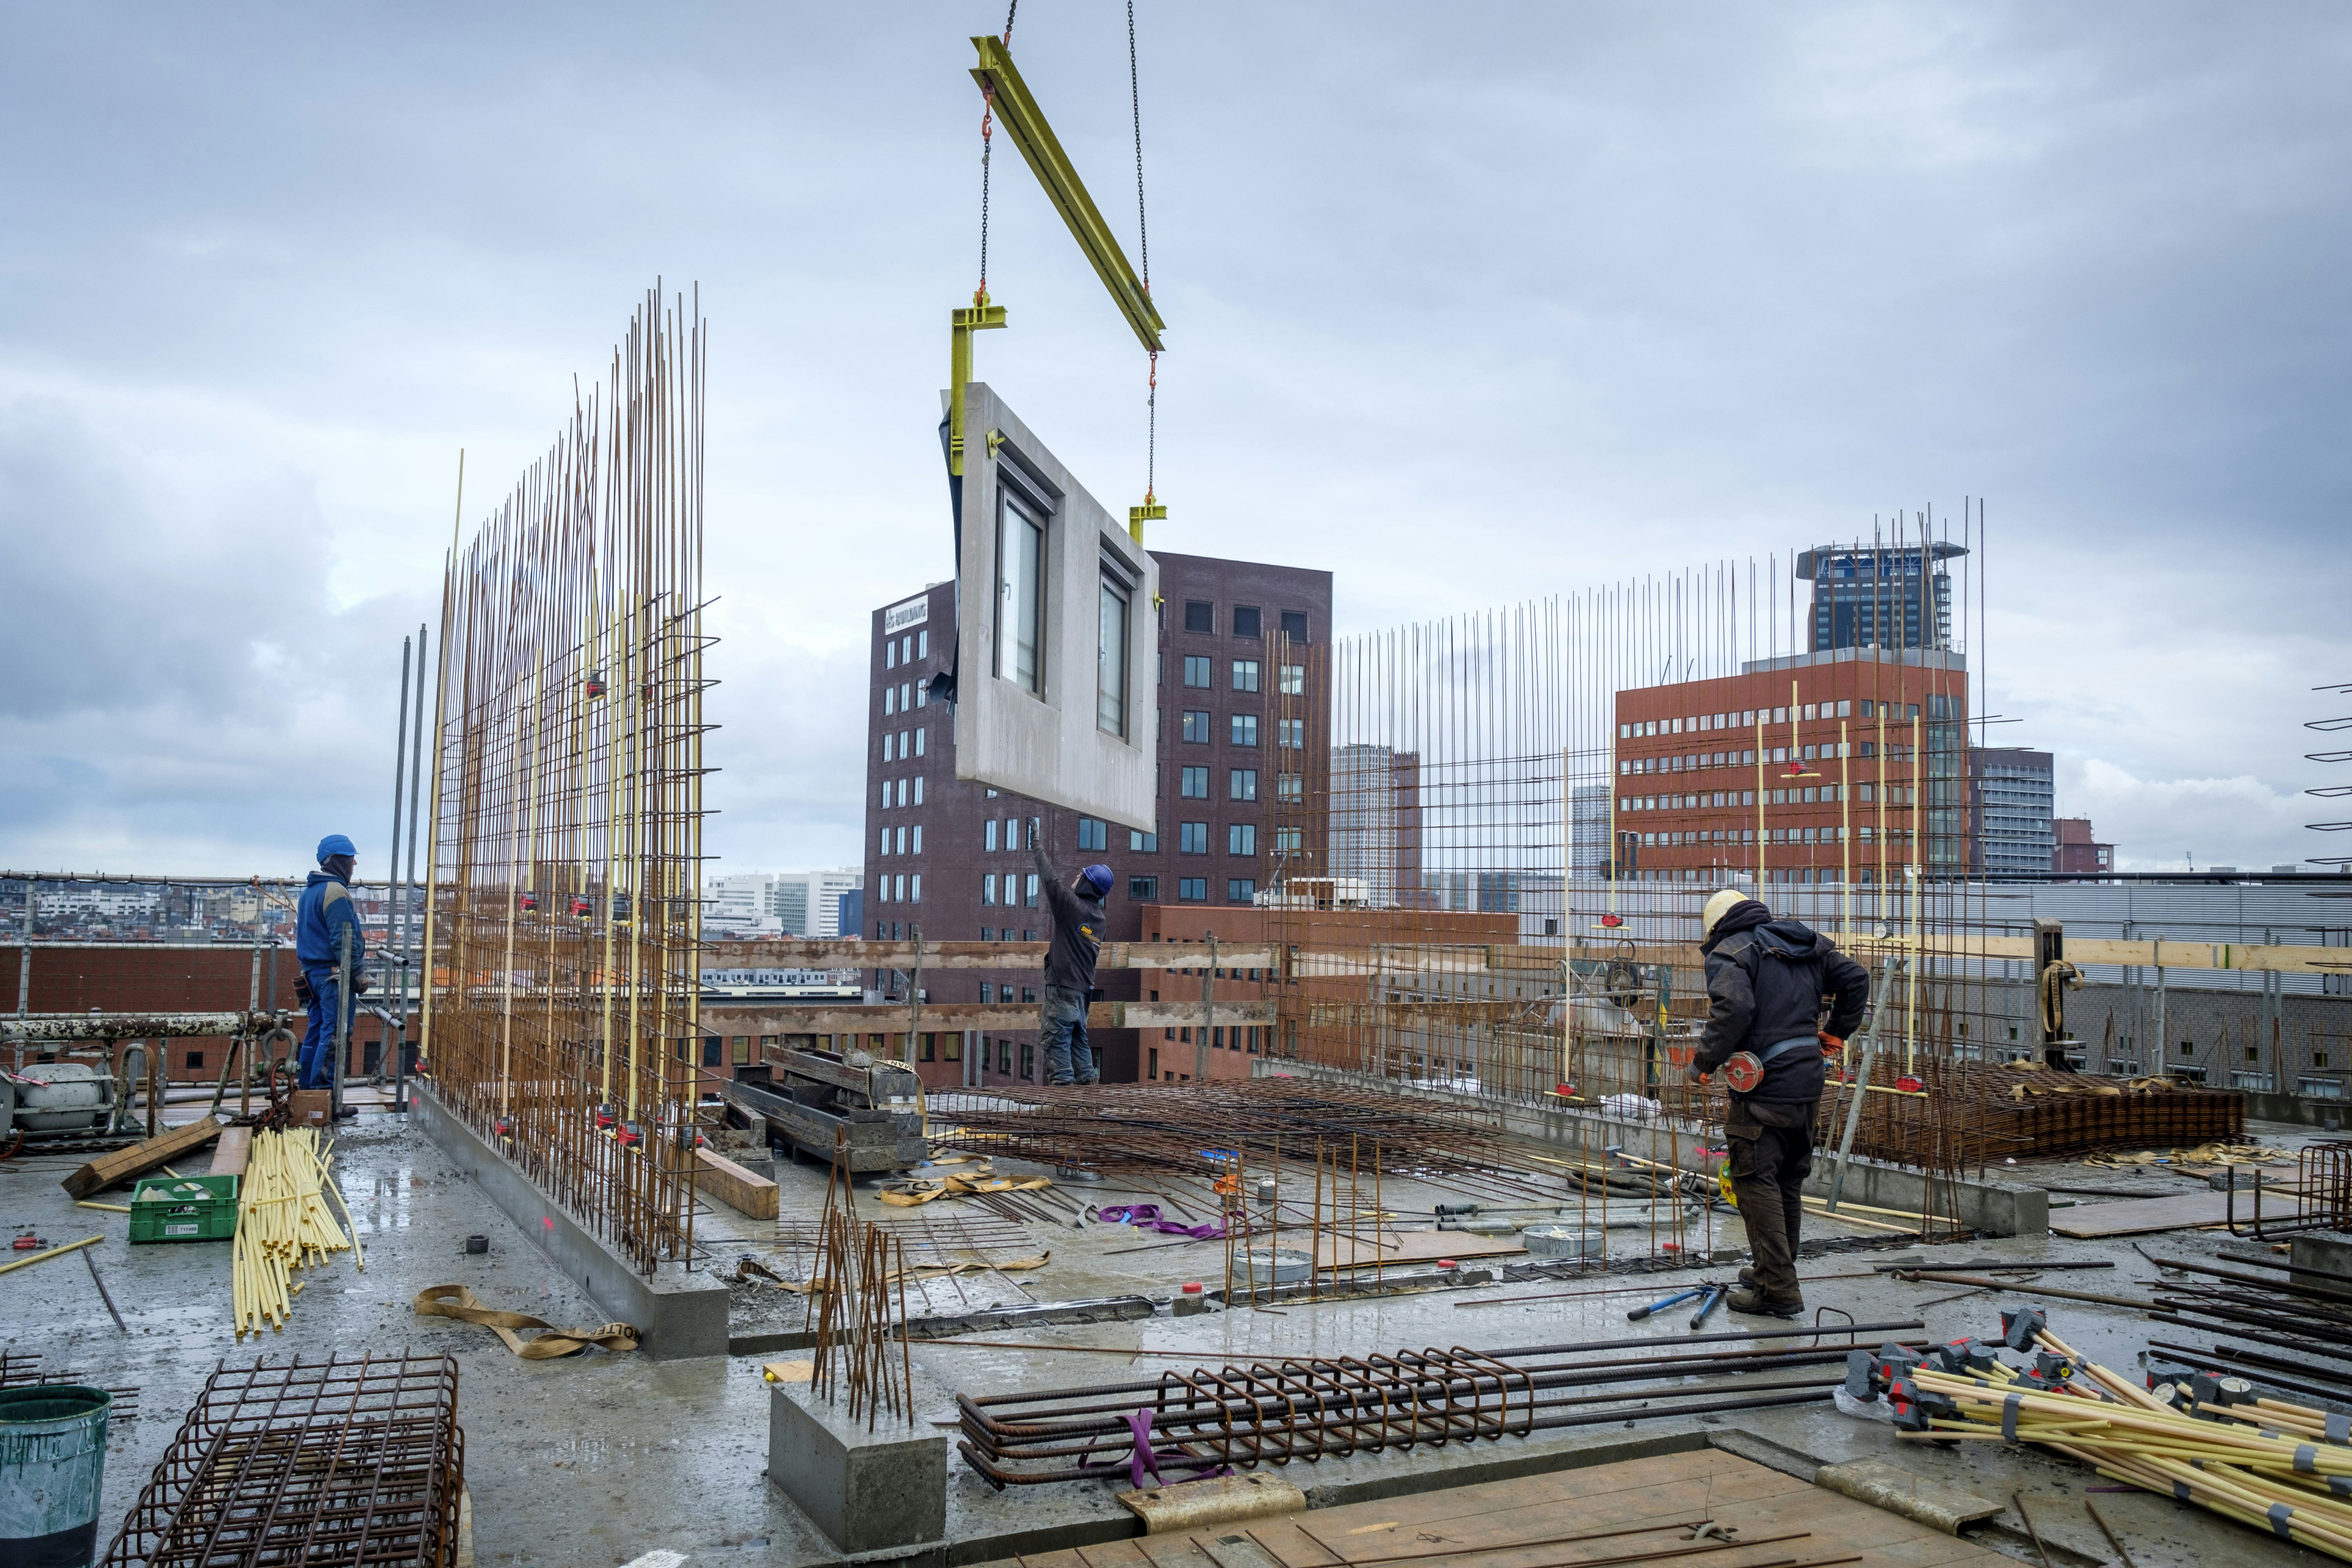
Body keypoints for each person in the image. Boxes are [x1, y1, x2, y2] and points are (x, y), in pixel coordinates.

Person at [1687, 886, 1869, 1318]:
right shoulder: (1802, 943)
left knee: (1755, 1180)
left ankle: (1778, 1288)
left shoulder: (1731, 952)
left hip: (1764, 1089)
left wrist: (1703, 1062)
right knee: (1787, 1178)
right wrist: (1837, 1031)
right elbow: (1857, 979)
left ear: (1716, 926)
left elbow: (1734, 1007)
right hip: (1807, 1080)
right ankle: (1775, 1268)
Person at [1028, 819, 1113, 1086]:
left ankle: (1063, 1107)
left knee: (1057, 1046)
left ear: (1088, 884)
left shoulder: (1071, 907)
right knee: (1079, 1044)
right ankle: (1089, 1100)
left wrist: (1036, 842)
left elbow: (1049, 878)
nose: (1075, 879)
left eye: (1080, 877)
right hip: (1082, 995)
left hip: (1063, 992)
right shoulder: (1099, 920)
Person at [295, 834, 367, 1092]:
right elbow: (342, 939)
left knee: (316, 1033)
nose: (353, 866)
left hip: (314, 975)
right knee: (336, 1034)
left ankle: (306, 1092)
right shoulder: (336, 892)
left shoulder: (311, 891)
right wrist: (357, 972)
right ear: (339, 862)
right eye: (351, 861)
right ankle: (323, 1095)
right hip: (332, 976)